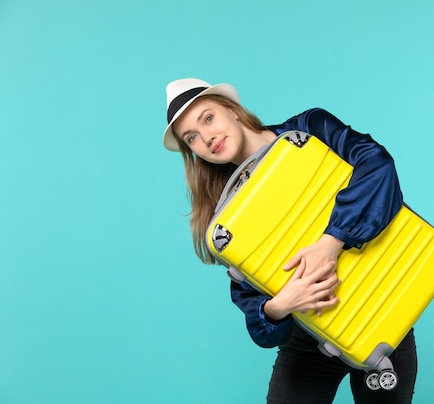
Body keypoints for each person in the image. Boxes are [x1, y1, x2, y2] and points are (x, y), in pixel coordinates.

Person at [163, 78, 418, 403]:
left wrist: (332, 241)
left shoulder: (311, 130)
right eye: (192, 138)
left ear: (232, 111)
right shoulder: (227, 219)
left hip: (382, 314)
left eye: (208, 118)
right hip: (309, 338)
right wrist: (280, 305)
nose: (207, 137)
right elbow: (251, 303)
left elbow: (377, 167)